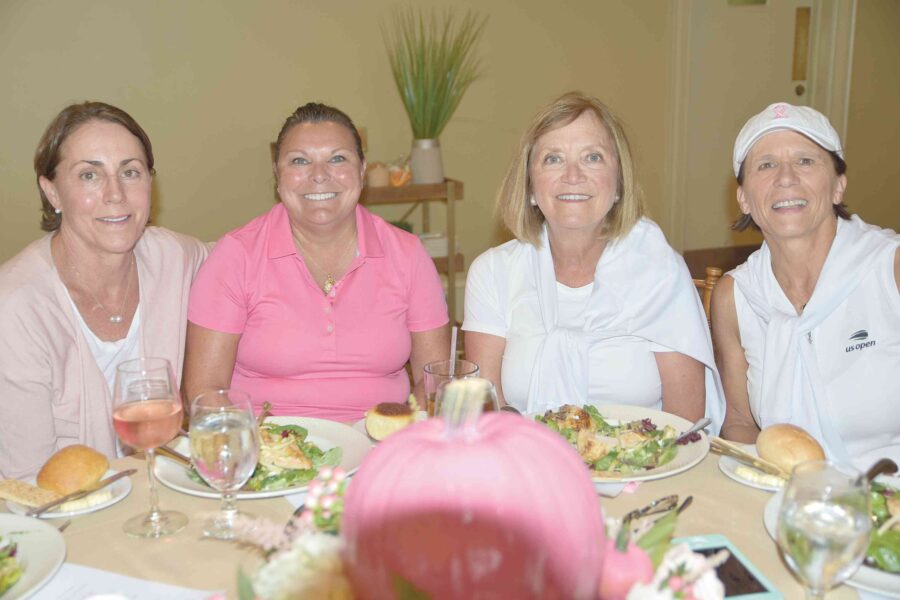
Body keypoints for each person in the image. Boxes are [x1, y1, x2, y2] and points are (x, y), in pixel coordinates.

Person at [463, 92, 724, 430]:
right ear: (529, 186)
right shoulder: (493, 273)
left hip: (642, 473)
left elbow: (683, 425)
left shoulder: (660, 273)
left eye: (593, 157)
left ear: (618, 184)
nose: (573, 175)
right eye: (553, 159)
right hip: (527, 468)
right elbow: (488, 415)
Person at [184, 103, 450, 421]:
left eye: (337, 159)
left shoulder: (408, 254)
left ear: (363, 169)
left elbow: (434, 381)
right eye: (300, 161)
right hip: (266, 450)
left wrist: (400, 438)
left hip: (378, 448)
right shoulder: (235, 256)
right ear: (277, 174)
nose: (319, 175)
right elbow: (204, 393)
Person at [0, 102, 209, 479]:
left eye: (130, 172)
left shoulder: (174, 258)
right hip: (62, 518)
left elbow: (252, 259)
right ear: (52, 192)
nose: (116, 194)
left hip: (160, 500)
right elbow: (28, 480)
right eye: (89, 176)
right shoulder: (15, 308)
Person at [712, 102, 900, 468]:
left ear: (838, 186)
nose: (785, 178)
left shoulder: (890, 271)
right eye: (766, 165)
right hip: (787, 504)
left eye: (805, 161)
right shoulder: (736, 296)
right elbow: (738, 423)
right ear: (744, 198)